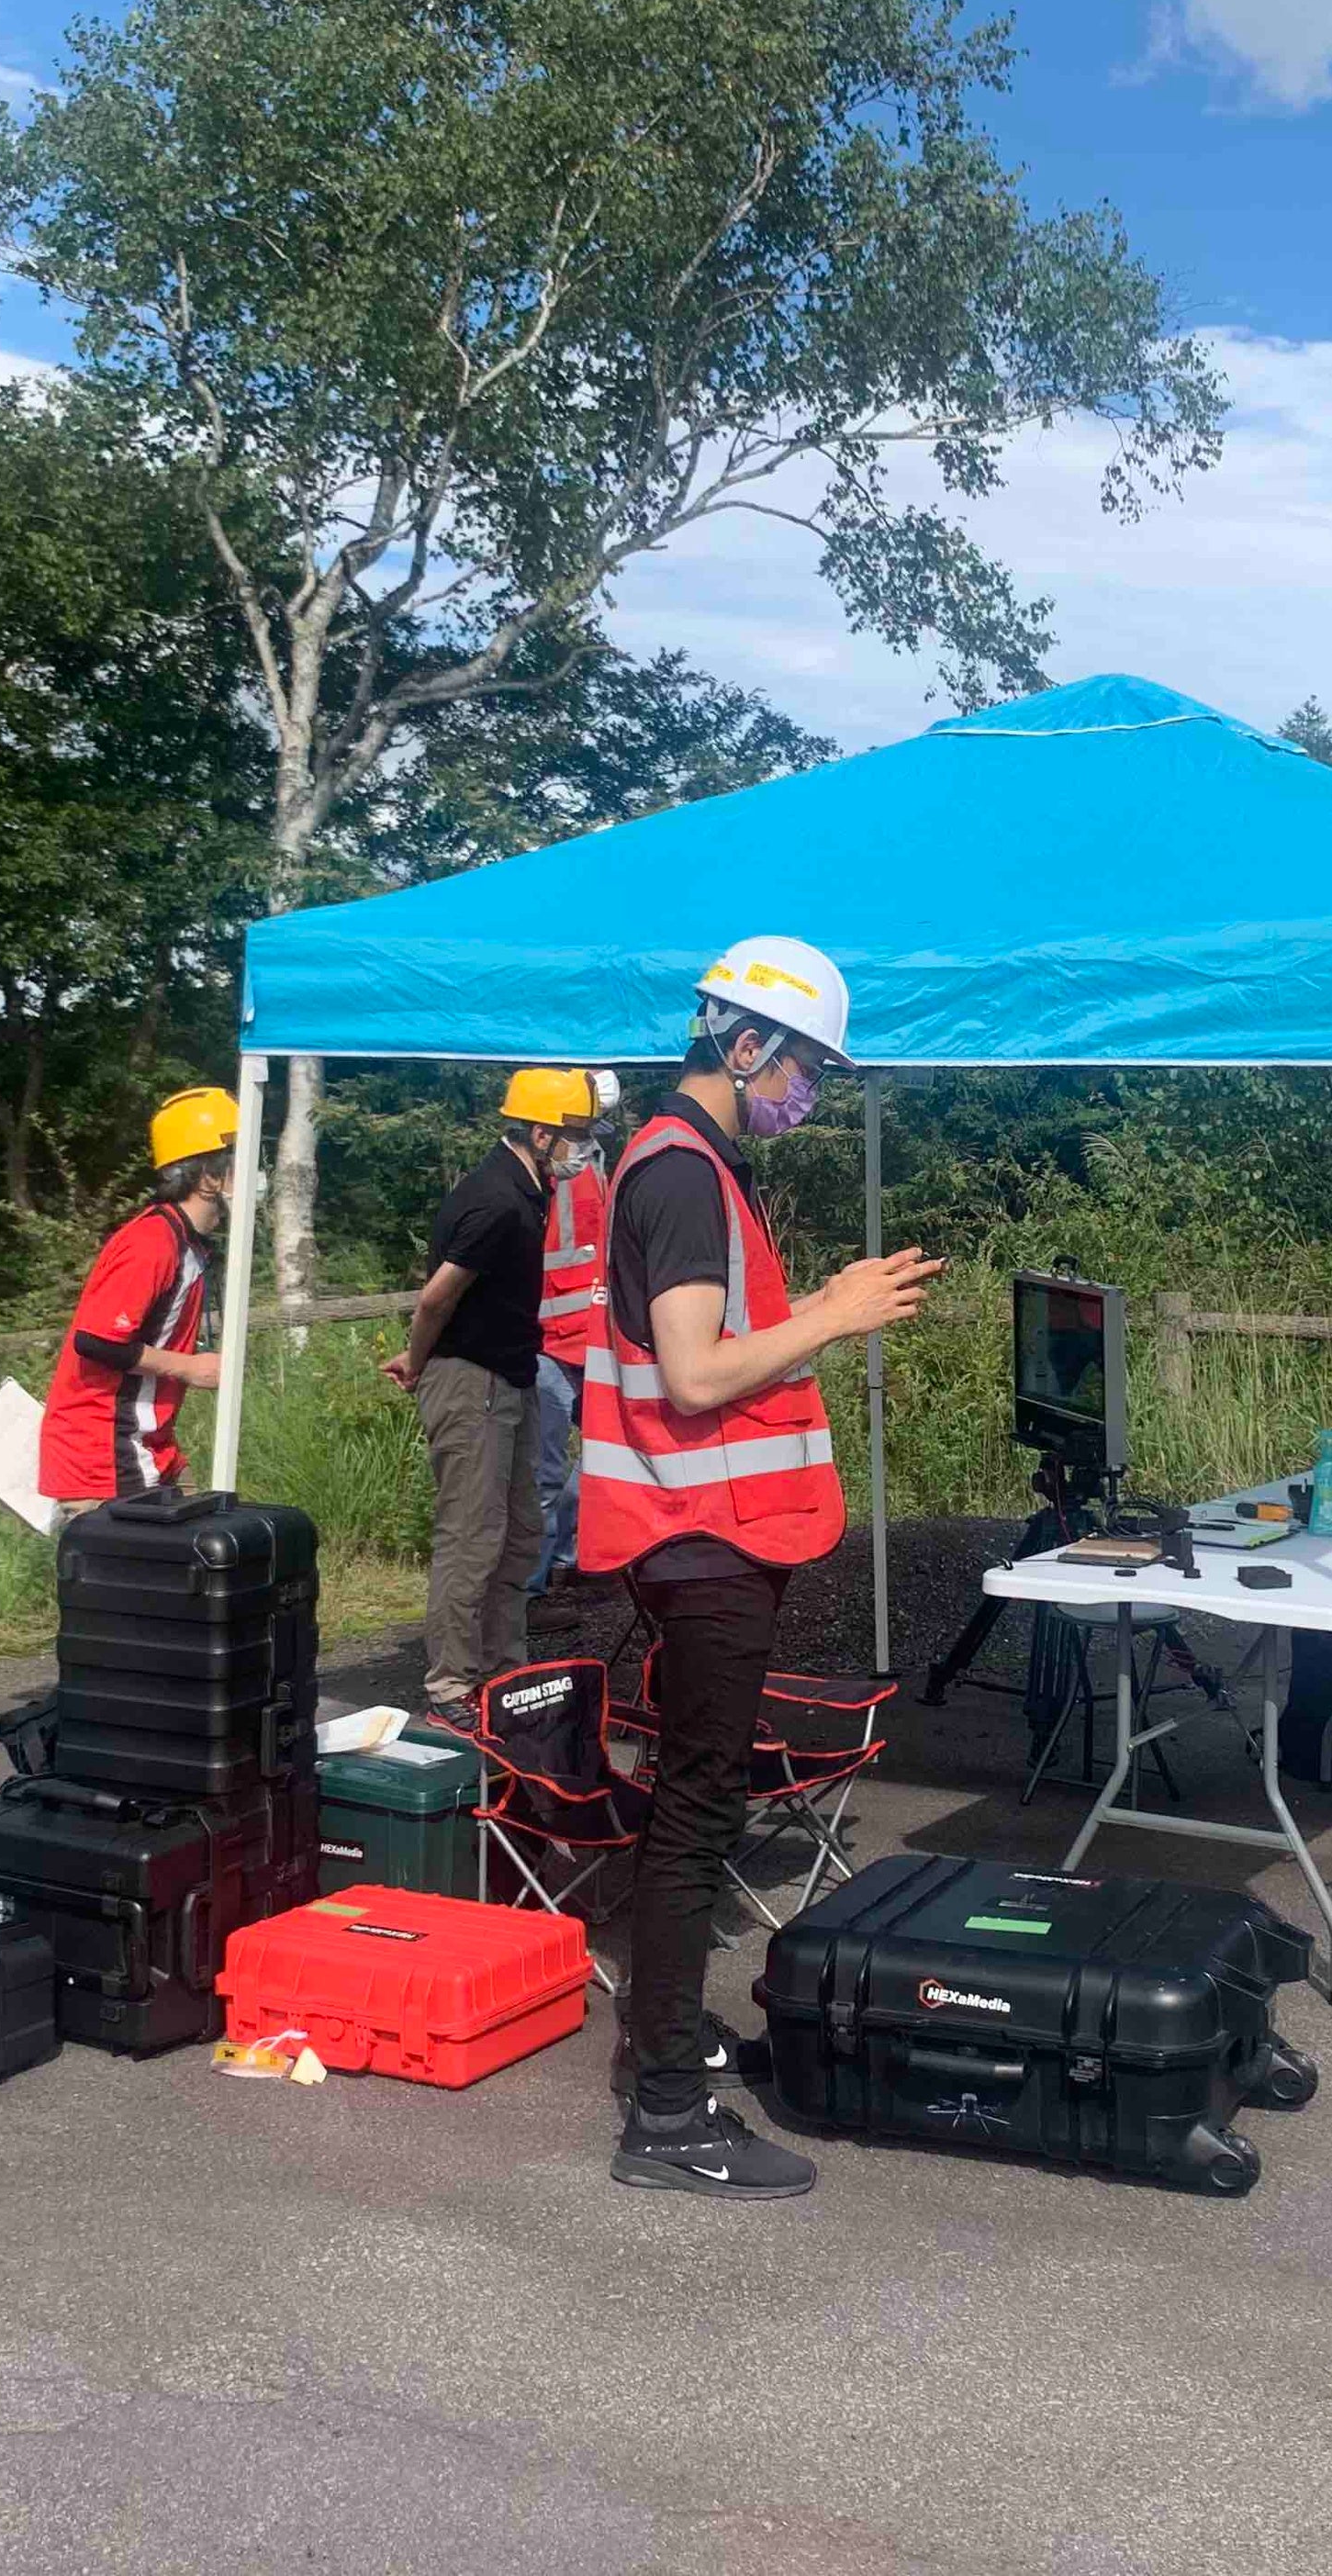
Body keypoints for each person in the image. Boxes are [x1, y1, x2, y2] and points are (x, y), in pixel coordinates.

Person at [580, 935, 942, 2199]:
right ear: (745, 1044)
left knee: (697, 1807)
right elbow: (692, 1373)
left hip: (706, 1542)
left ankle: (668, 2039)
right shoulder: (680, 1173)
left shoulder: (693, 1167)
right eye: (808, 1069)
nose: (815, 1094)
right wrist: (834, 1316)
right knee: (695, 1817)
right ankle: (669, 2111)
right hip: (700, 1546)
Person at [386, 1069, 597, 1712]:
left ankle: (505, 1668)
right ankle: (450, 1682)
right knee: (471, 1537)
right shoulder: (498, 1200)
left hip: (512, 1373)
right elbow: (435, 1296)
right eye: (576, 1136)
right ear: (540, 1133)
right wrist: (419, 1361)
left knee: (519, 1532)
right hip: (471, 1380)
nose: (583, 1149)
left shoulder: (528, 1189)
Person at [36, 1087, 234, 1512]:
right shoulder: (152, 1242)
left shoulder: (188, 1243)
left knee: (204, 1553)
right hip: (107, 1448)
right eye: (237, 1161)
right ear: (208, 1177)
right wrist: (187, 1367)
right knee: (150, 1572)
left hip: (148, 1442)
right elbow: (96, 1340)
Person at [525, 1069, 623, 1630]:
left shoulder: (594, 1164)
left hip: (591, 1339)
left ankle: (572, 1560)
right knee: (545, 1472)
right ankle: (533, 1590)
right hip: (549, 1343)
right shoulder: (539, 1175)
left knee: (602, 1460)